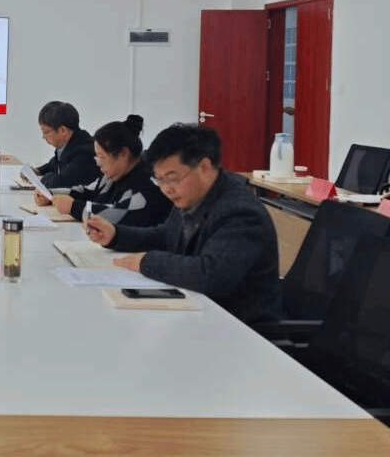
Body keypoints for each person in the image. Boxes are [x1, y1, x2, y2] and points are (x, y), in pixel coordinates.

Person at [81, 123, 281, 327]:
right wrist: (116, 235)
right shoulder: (191, 195)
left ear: (204, 167)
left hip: (241, 329)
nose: (166, 189)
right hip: (198, 315)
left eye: (172, 178)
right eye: (159, 180)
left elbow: (209, 274)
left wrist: (147, 262)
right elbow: (165, 235)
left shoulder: (240, 212)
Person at [38, 115, 171, 228]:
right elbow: (86, 191)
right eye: (96, 157)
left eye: (101, 157)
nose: (98, 163)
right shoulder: (112, 175)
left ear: (124, 154)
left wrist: (73, 207)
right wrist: (51, 195)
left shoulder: (145, 184)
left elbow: (116, 214)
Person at [32, 101, 100, 188]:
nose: (43, 137)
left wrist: (41, 178)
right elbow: (53, 164)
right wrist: (37, 171)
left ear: (63, 130)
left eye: (45, 132)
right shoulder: (69, 145)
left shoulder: (84, 153)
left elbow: (61, 182)